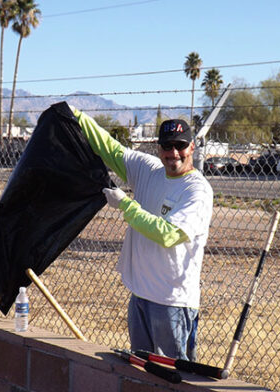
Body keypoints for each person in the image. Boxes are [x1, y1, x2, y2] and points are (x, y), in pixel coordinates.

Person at [71, 106, 213, 360]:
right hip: (140, 297)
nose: (173, 154)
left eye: (180, 146)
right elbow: (110, 149)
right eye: (167, 147)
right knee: (142, 371)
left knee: (173, 377)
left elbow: (169, 234)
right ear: (159, 149)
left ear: (192, 147)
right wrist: (77, 116)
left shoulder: (197, 191)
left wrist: (126, 205)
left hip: (172, 303)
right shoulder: (149, 171)